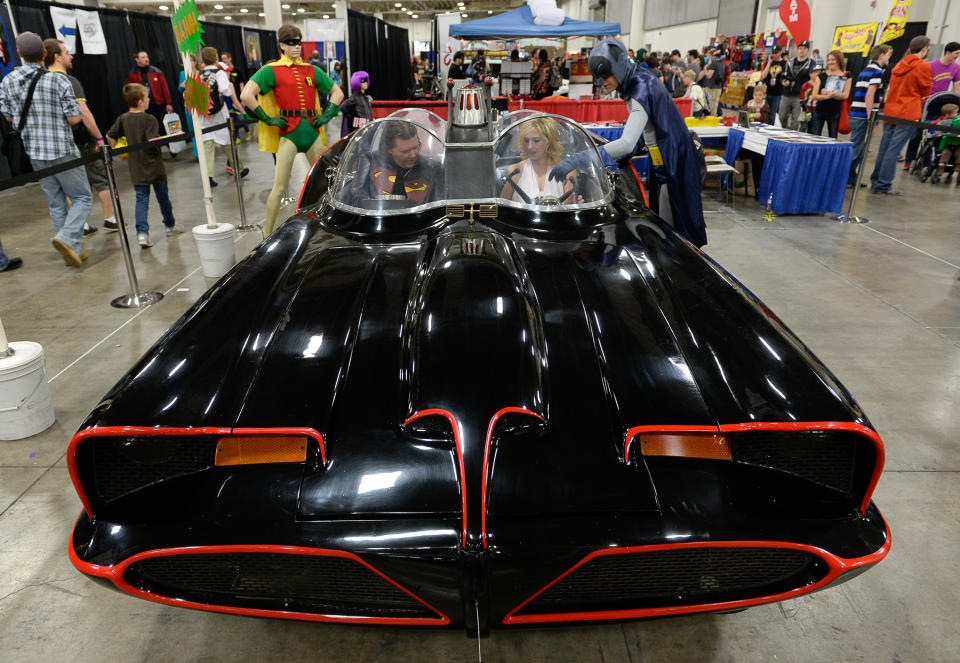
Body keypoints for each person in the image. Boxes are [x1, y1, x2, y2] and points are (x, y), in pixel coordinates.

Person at [563, 38, 705, 247]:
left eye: (605, 75)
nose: (603, 83)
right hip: (665, 161)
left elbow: (627, 143)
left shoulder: (641, 87)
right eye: (599, 78)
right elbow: (647, 131)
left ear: (619, 67)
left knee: (672, 236)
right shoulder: (639, 80)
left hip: (673, 164)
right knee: (666, 226)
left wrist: (582, 157)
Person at [241, 24, 343, 234]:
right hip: (289, 133)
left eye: (298, 42)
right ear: (281, 45)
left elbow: (338, 92)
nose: (296, 47)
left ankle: (330, 227)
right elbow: (246, 95)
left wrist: (327, 115)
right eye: (291, 43)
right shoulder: (271, 70)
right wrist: (267, 119)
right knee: (279, 188)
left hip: (312, 132)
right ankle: (267, 235)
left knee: (327, 183)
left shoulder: (312, 70)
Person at [0, 31, 91, 267]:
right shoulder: (57, 79)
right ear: (44, 54)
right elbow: (73, 118)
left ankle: (73, 249)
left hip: (35, 152)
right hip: (62, 149)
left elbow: (8, 118)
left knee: (56, 202)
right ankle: (67, 239)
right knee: (82, 197)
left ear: (19, 54)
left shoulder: (7, 81)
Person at [43, 38, 117, 235]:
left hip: (59, 145)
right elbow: (83, 112)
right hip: (82, 141)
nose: (71, 56)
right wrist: (99, 138)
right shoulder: (69, 81)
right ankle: (110, 219)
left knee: (69, 188)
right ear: (57, 57)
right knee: (100, 179)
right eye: (67, 52)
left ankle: (81, 225)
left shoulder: (43, 81)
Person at [106, 84, 181, 247]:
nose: (149, 100)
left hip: (136, 168)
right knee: (163, 198)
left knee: (141, 200)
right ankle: (170, 226)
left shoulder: (123, 118)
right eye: (147, 98)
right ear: (140, 101)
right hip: (155, 166)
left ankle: (142, 234)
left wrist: (120, 151)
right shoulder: (149, 119)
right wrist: (172, 137)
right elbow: (152, 140)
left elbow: (110, 136)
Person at [870, 35, 933, 195]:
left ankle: (877, 181)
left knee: (885, 147)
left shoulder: (899, 64)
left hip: (891, 110)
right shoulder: (923, 66)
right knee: (894, 150)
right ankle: (883, 184)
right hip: (907, 111)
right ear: (925, 48)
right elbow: (926, 90)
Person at [356, 121, 441, 205]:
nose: (412, 155)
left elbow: (439, 206)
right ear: (389, 149)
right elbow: (358, 199)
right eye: (405, 151)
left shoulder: (432, 168)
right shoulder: (370, 161)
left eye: (415, 147)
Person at [198, 46, 245, 186]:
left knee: (207, 145)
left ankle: (209, 176)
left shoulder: (198, 74)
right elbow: (226, 91)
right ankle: (239, 168)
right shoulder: (219, 73)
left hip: (204, 114)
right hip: (220, 113)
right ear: (215, 58)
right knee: (227, 141)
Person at [500, 118, 576, 203]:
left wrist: (576, 202)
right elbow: (502, 209)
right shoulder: (513, 172)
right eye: (526, 140)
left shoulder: (567, 172)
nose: (530, 146)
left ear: (549, 142)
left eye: (536, 141)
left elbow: (570, 208)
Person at [848, 44, 893, 186]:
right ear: (881, 55)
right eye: (888, 54)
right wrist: (871, 117)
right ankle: (844, 177)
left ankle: (850, 177)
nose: (889, 57)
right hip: (862, 115)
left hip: (856, 112)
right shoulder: (878, 71)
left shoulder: (865, 70)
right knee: (857, 149)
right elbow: (870, 95)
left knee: (857, 147)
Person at [125, 50, 173, 139]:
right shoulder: (132, 75)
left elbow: (165, 88)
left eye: (147, 57)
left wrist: (168, 103)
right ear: (137, 60)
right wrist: (132, 107)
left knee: (163, 127)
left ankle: (170, 146)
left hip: (158, 105)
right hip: (142, 107)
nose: (146, 59)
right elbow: (129, 93)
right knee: (147, 129)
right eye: (143, 57)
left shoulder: (157, 72)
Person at [809, 50, 851, 138]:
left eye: (833, 59)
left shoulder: (847, 76)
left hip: (835, 112)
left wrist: (832, 94)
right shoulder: (821, 75)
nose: (830, 62)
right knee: (815, 137)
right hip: (819, 111)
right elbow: (814, 96)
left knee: (832, 138)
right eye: (829, 60)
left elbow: (845, 95)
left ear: (839, 60)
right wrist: (827, 96)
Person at [780, 41, 813, 129]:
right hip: (787, 94)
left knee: (795, 120)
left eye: (804, 49)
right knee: (782, 117)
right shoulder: (789, 62)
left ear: (808, 50)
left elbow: (813, 78)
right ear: (798, 50)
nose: (802, 51)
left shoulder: (811, 63)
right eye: (800, 48)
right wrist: (783, 81)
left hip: (800, 96)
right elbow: (783, 75)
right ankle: (785, 132)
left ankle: (790, 138)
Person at [932, 102, 960, 183]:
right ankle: (941, 168)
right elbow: (936, 129)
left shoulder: (958, 120)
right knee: (945, 154)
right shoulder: (942, 122)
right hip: (947, 144)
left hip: (958, 144)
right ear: (947, 115)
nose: (957, 114)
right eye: (955, 113)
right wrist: (938, 134)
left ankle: (958, 167)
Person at [340, 70, 372, 139]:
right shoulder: (354, 98)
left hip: (367, 129)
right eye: (363, 81)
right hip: (359, 131)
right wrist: (354, 121)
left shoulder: (365, 97)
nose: (365, 83)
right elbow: (343, 107)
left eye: (366, 80)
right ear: (357, 82)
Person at [759, 45, 785, 120]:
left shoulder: (784, 63)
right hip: (767, 92)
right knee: (763, 113)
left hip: (777, 93)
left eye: (776, 53)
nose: (774, 55)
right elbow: (763, 76)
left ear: (780, 52)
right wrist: (769, 63)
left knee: (772, 116)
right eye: (773, 53)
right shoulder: (770, 62)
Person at [698, 46, 725, 115]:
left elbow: (709, 75)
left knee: (710, 106)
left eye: (707, 55)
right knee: (714, 105)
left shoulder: (713, 63)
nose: (706, 56)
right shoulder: (721, 62)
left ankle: (710, 120)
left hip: (711, 87)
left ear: (711, 55)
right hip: (718, 87)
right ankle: (712, 120)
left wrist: (705, 69)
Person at [798, 65, 820, 133]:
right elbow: (802, 101)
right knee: (803, 127)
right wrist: (807, 112)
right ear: (810, 74)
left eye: (819, 72)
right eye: (815, 72)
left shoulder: (821, 85)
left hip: (816, 112)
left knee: (812, 130)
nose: (818, 74)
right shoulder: (806, 85)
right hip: (806, 111)